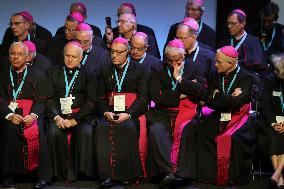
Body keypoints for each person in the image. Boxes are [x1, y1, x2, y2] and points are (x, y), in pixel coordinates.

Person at [146, 39, 205, 187]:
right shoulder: (157, 68)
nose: (173, 63)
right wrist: (185, 93)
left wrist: (178, 78)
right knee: (156, 130)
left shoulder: (195, 66)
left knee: (187, 130)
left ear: (184, 55)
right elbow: (157, 96)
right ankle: (167, 171)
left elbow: (200, 90)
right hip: (162, 112)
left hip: (188, 111)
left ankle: (182, 174)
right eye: (169, 60)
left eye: (176, 60)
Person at [196, 46, 255, 185]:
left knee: (233, 138)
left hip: (239, 116)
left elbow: (238, 102)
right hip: (219, 114)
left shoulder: (246, 77)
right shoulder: (215, 74)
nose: (215, 65)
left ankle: (232, 177)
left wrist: (218, 96)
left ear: (230, 63)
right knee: (203, 132)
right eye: (215, 61)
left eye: (219, 62)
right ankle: (209, 176)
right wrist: (227, 98)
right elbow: (208, 99)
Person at [94, 37, 148, 188]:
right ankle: (106, 176)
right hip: (109, 111)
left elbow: (143, 98)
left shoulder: (140, 70)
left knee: (127, 127)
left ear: (128, 52)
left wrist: (129, 114)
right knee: (101, 128)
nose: (114, 56)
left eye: (118, 52)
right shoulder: (105, 69)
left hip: (130, 112)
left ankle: (127, 175)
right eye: (112, 52)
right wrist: (105, 112)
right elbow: (100, 97)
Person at [0, 42, 52, 189]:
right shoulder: (2, 74)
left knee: (39, 131)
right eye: (12, 54)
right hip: (10, 115)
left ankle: (42, 177)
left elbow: (42, 100)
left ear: (27, 56)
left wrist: (33, 115)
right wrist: (10, 115)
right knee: (9, 131)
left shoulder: (38, 74)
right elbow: (1, 100)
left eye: (20, 54)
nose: (15, 57)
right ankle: (7, 176)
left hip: (33, 114)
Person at [46, 41, 97, 181]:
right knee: (53, 132)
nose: (69, 59)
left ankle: (82, 173)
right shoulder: (52, 71)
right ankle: (54, 174)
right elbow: (48, 98)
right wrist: (57, 117)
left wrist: (76, 119)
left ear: (81, 58)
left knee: (85, 132)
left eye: (74, 57)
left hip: (81, 116)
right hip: (58, 115)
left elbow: (92, 100)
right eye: (67, 55)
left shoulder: (89, 72)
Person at [260, 53, 284, 188]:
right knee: (274, 136)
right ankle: (279, 176)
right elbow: (266, 106)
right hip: (272, 120)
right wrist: (274, 123)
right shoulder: (269, 80)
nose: (274, 71)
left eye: (277, 70)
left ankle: (277, 174)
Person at [175, 17, 215, 82]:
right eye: (177, 38)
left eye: (182, 38)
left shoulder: (208, 56)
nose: (179, 41)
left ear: (193, 37)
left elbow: (212, 81)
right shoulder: (174, 52)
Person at [247, 2, 284, 68]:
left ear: (276, 18)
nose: (266, 24)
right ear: (260, 16)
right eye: (264, 20)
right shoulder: (251, 30)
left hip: (276, 68)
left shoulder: (281, 31)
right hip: (255, 67)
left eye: (270, 21)